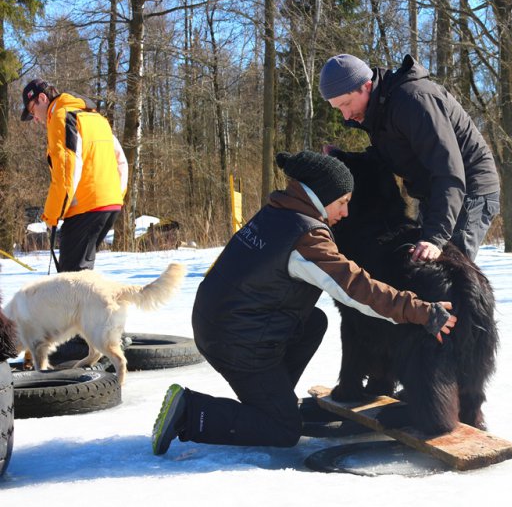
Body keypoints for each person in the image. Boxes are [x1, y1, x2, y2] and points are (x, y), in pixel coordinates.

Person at [151, 151, 457, 455]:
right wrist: (422, 311)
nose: (346, 213)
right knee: (284, 430)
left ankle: (270, 399)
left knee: (313, 323)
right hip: (236, 340)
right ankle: (190, 411)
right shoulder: (307, 237)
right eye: (343, 203)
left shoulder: (278, 212)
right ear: (324, 197)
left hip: (220, 322)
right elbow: (356, 288)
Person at [319, 53, 500, 263]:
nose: (346, 115)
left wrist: (435, 237)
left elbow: (448, 169)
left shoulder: (414, 101)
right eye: (338, 108)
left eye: (346, 104)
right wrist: (342, 158)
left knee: (447, 272)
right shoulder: (381, 110)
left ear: (366, 86)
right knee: (422, 267)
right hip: (435, 192)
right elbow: (385, 157)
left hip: (468, 189)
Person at [20, 78, 128, 272]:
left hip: (86, 208)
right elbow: (121, 160)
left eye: (32, 111)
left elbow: (66, 171)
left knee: (70, 283)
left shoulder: (61, 117)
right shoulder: (95, 117)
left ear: (42, 98)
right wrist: (115, 196)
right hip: (109, 205)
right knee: (80, 282)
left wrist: (52, 215)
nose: (35, 119)